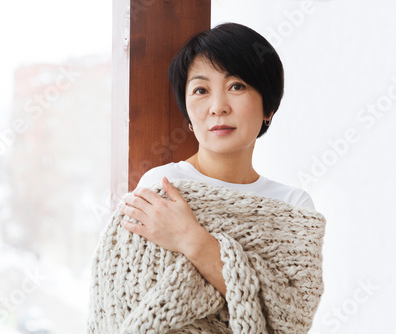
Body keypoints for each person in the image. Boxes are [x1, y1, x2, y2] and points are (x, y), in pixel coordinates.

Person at [118, 22, 315, 300]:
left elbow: (291, 313)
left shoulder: (294, 207)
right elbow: (129, 300)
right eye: (201, 90)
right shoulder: (161, 186)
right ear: (187, 110)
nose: (218, 107)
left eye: (237, 86)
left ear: (268, 108)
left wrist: (191, 239)